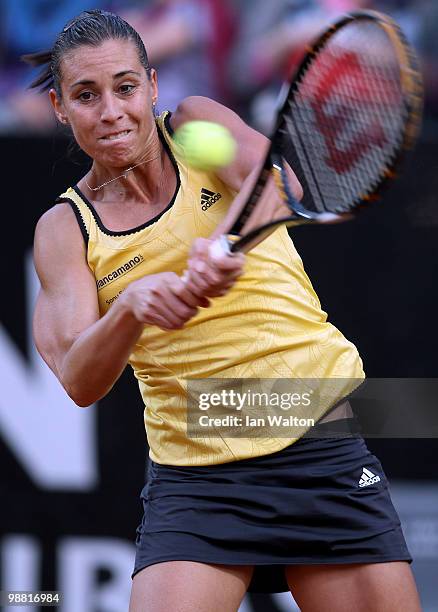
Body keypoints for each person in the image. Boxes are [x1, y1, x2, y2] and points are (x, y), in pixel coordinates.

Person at [27, 10, 421, 612]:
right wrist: (130, 308)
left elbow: (278, 184)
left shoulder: (195, 124)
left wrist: (224, 242)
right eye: (87, 95)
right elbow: (79, 379)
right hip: (199, 474)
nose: (111, 112)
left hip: (312, 428)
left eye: (126, 88)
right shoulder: (64, 230)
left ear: (153, 85)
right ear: (60, 106)